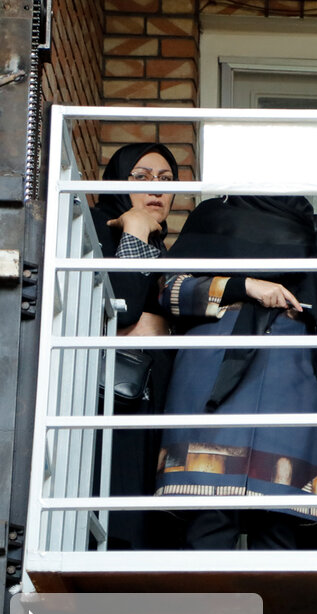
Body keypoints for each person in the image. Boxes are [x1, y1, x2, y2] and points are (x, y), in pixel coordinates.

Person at [155, 195, 317, 549]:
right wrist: (245, 285)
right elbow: (169, 290)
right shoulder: (214, 214)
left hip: (294, 379)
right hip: (213, 371)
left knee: (278, 526)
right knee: (209, 520)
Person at [89, 143, 180, 549]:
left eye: (166, 180)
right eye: (141, 178)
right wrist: (136, 230)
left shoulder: (166, 250)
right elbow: (123, 306)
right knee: (117, 521)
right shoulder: (97, 226)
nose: (156, 189)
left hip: (155, 397)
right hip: (114, 395)